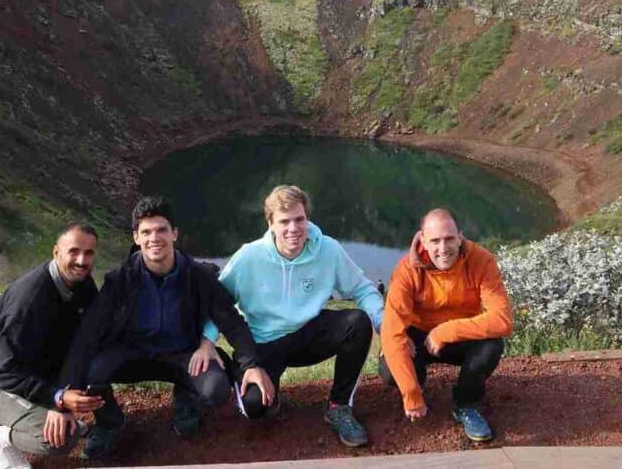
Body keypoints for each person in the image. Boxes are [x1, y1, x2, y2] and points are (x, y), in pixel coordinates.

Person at [59, 195, 273, 460]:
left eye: (161, 230)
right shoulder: (119, 280)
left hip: (183, 355)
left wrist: (251, 364)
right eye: (146, 232)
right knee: (92, 371)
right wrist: (64, 391)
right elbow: (89, 332)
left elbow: (231, 320)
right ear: (136, 237)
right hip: (132, 354)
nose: (154, 238)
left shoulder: (199, 276)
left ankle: (186, 395)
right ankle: (109, 421)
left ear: (174, 234)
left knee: (216, 389)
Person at [204, 184, 384, 447]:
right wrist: (207, 340)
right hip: (264, 343)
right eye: (284, 221)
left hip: (309, 334)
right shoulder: (248, 257)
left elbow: (361, 287)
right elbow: (219, 302)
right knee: (255, 408)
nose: (293, 228)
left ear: (307, 218)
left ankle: (339, 406)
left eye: (299, 219)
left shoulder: (327, 250)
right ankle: (269, 395)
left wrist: (383, 324)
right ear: (271, 223)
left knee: (357, 323)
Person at [0, 223, 104, 469]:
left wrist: (64, 395)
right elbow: (7, 373)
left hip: (43, 375)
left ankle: (102, 424)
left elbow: (85, 342)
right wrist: (57, 399)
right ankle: (0, 438)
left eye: (89, 253)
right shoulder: (29, 300)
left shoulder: (83, 284)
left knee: (102, 364)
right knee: (59, 441)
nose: (82, 261)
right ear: (55, 252)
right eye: (73, 251)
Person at [379, 208, 513, 442]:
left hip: (459, 336)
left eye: (449, 239)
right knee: (391, 368)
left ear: (460, 236)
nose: (443, 249)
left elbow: (502, 319)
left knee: (491, 345)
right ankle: (418, 386)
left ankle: (466, 403)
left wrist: (446, 331)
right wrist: (410, 392)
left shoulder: (482, 261)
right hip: (419, 337)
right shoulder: (406, 271)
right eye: (435, 241)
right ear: (422, 240)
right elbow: (391, 330)